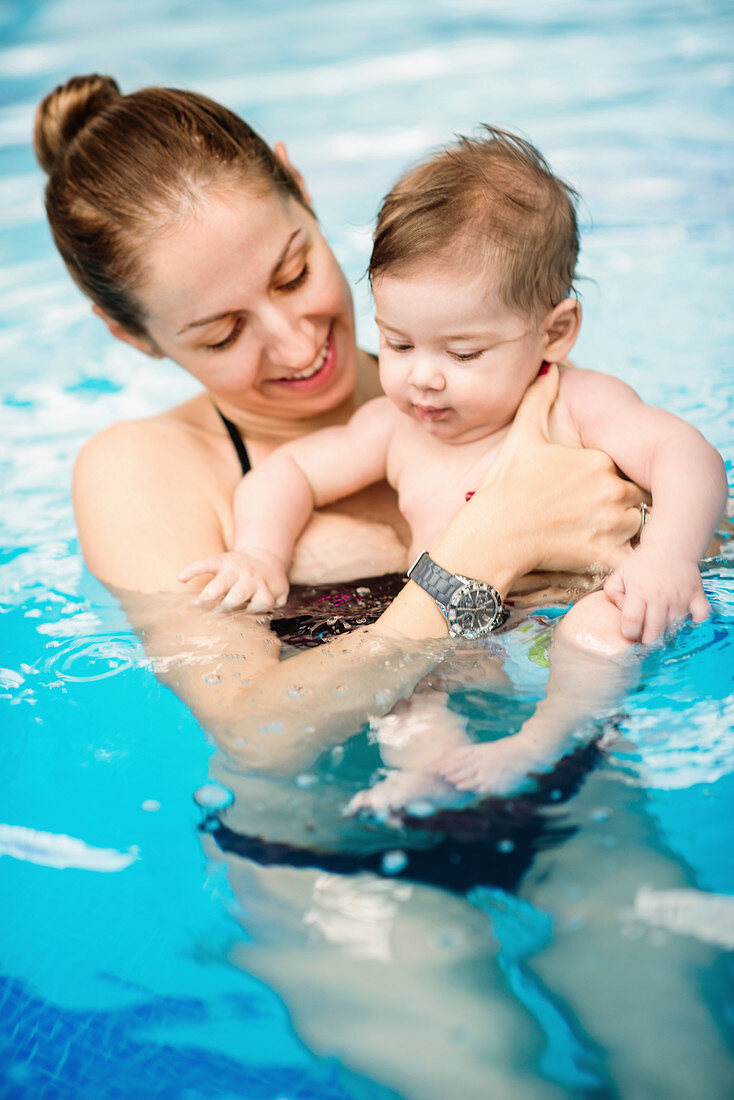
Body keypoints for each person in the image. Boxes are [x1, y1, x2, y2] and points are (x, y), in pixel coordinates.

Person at [34, 76, 731, 1100]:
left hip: (560, 781)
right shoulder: (146, 469)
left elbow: (684, 529)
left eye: (294, 270)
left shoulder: (484, 367)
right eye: (219, 332)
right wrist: (481, 554)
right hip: (333, 852)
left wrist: (667, 547)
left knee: (687, 1065)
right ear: (130, 335)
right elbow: (260, 729)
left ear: (306, 191)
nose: (293, 341)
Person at [178, 127, 727, 806]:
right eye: (399, 343)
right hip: (470, 645)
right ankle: (430, 773)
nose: (423, 380)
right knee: (402, 683)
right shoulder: (394, 426)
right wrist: (258, 554)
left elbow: (688, 454)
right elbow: (289, 473)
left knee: (597, 628)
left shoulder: (576, 401)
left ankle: (539, 743)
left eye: (463, 353)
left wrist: (668, 555)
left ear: (555, 332)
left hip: (577, 617)